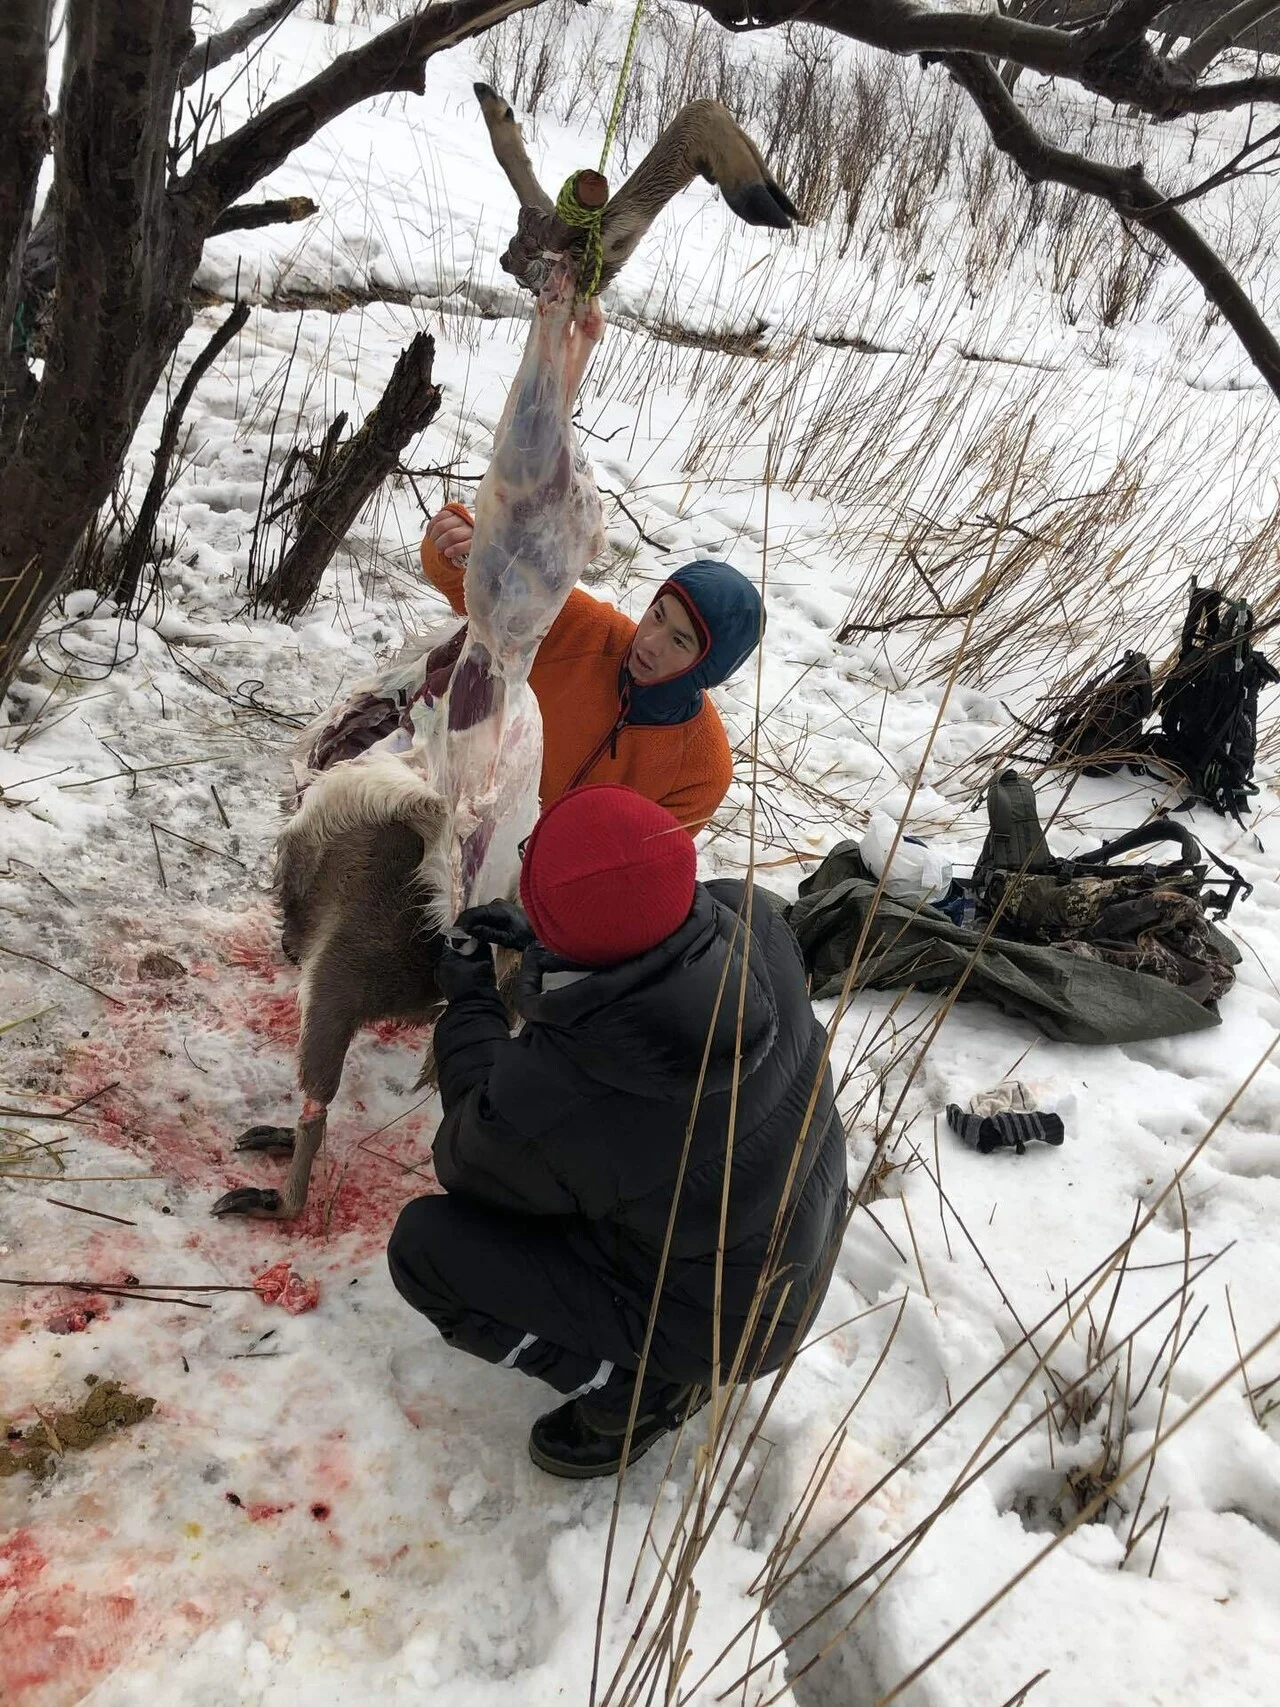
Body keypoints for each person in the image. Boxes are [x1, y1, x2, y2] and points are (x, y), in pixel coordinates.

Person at [387, 783, 850, 1478]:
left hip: (733, 1324)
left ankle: (638, 1392)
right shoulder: (748, 912)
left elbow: (468, 1154)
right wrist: (553, 944)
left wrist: (472, 1001)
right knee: (618, 1179)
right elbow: (644, 954)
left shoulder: (574, 1084)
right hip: (798, 1239)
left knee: (428, 1251)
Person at [420, 503, 764, 832]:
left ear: (708, 669)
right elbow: (482, 584)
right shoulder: (582, 628)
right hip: (453, 800)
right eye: (657, 616)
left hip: (541, 880)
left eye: (679, 641)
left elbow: (629, 868)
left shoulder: (700, 772)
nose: (649, 643)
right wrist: (460, 540)